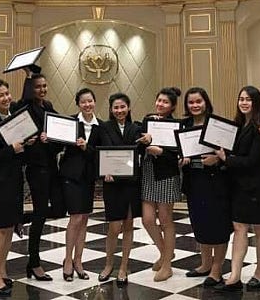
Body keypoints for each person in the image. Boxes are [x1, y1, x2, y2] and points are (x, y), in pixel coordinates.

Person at [215, 86, 260, 292]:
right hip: (238, 184)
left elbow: (253, 160)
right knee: (239, 227)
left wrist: (226, 158)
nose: (244, 103)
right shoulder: (236, 125)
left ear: (256, 102)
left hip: (258, 185)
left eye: (248, 99)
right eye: (241, 99)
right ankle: (235, 276)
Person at [0, 79, 33, 296]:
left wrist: (25, 144)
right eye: (1, 95)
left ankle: (1, 271)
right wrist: (12, 149)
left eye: (7, 93)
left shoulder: (13, 117)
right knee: (0, 228)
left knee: (9, 226)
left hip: (14, 179)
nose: (6, 98)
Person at [179, 87, 231, 288]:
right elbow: (177, 150)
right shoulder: (184, 125)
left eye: (198, 101)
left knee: (218, 226)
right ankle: (205, 264)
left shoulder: (216, 124)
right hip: (194, 182)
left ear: (206, 102)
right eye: (191, 102)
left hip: (216, 182)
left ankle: (217, 270)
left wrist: (217, 159)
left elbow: (229, 152)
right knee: (200, 223)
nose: (195, 105)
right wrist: (181, 159)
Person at [97, 92, 149, 286]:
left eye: (122, 107)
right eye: (116, 107)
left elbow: (141, 151)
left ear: (128, 108)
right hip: (112, 184)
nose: (119, 110)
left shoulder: (137, 128)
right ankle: (108, 264)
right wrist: (104, 171)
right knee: (113, 227)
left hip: (131, 183)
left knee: (128, 224)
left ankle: (123, 267)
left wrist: (148, 139)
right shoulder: (104, 127)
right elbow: (99, 152)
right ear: (111, 110)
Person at [17, 70, 59, 280]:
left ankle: (20, 219)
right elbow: (21, 104)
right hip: (36, 168)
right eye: (37, 87)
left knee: (58, 208)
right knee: (41, 213)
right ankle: (34, 262)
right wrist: (28, 77)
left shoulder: (48, 106)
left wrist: (52, 137)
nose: (42, 90)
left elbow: (60, 127)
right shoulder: (25, 107)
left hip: (52, 166)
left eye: (44, 86)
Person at [58, 88, 103, 282]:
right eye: (83, 102)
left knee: (84, 219)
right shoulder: (69, 122)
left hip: (88, 178)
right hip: (71, 176)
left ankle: (79, 260)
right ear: (78, 104)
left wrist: (87, 147)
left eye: (90, 101)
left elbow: (100, 152)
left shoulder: (101, 126)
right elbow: (58, 144)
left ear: (94, 102)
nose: (87, 105)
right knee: (75, 217)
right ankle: (67, 260)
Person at [140, 87, 182, 282]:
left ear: (172, 106)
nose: (160, 104)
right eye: (159, 100)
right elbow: (139, 145)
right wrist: (145, 141)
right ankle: (166, 253)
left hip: (167, 174)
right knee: (147, 219)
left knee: (165, 220)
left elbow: (178, 155)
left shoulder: (177, 125)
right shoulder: (148, 120)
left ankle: (167, 265)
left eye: (165, 102)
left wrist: (161, 152)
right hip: (148, 172)